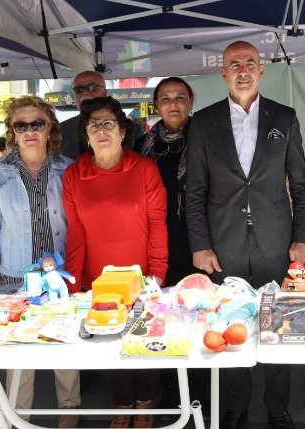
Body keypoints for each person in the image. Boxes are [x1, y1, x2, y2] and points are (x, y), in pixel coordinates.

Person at [186, 40, 305, 429]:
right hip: (223, 245)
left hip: (276, 241)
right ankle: (236, 406)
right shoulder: (203, 122)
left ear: (261, 70)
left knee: (279, 321)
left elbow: (301, 186)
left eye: (250, 63)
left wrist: (302, 237)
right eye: (234, 64)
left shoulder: (284, 117)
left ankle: (278, 407)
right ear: (223, 73)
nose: (242, 69)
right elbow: (194, 192)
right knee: (229, 321)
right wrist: (200, 245)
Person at [63, 96, 167, 428]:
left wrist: (158, 274)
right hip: (99, 279)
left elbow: (158, 226)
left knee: (143, 336)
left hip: (142, 277)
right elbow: (76, 234)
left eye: (109, 123)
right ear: (86, 135)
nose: (102, 130)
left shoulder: (145, 169)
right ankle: (123, 405)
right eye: (94, 125)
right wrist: (73, 282)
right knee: (112, 343)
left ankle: (146, 402)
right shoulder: (74, 175)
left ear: (122, 132)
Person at [0, 95, 79, 428]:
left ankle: (69, 416)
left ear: (50, 127)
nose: (30, 131)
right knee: (17, 357)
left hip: (59, 276)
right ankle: (17, 420)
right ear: (13, 131)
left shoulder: (69, 167)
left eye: (37, 123)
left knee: (65, 350)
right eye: (21, 125)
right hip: (12, 278)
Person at [133, 77, 210, 412]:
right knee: (163, 319)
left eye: (180, 97)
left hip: (201, 243)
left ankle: (201, 394)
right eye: (166, 98)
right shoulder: (143, 145)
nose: (174, 104)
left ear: (191, 101)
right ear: (156, 104)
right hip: (158, 244)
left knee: (199, 317)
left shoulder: (208, 138)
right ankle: (169, 392)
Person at [60, 70, 144, 158]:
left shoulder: (134, 130)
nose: (85, 93)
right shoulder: (61, 130)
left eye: (92, 87)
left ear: (104, 93)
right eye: (78, 89)